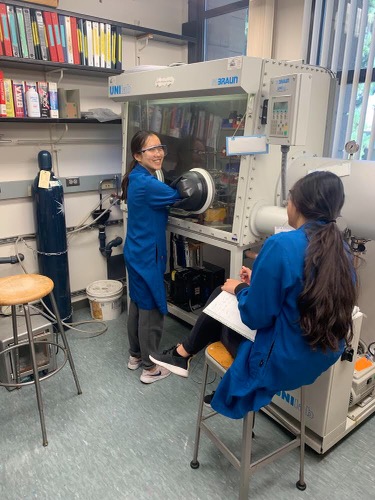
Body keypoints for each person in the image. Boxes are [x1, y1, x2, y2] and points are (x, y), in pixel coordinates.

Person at [150, 170, 357, 417]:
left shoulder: (281, 245)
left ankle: (184, 355)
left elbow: (255, 317)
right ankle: (184, 355)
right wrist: (256, 282)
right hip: (318, 358)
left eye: (289, 197)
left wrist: (240, 289)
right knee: (228, 295)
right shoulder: (341, 249)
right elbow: (299, 292)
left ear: (300, 204)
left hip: (280, 363)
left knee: (221, 296)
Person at [121, 130, 182, 384]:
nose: (159, 153)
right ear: (137, 155)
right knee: (152, 308)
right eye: (151, 149)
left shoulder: (136, 177)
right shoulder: (147, 183)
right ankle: (151, 367)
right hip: (147, 254)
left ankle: (135, 356)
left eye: (161, 147)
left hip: (136, 250)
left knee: (136, 303)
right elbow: (180, 195)